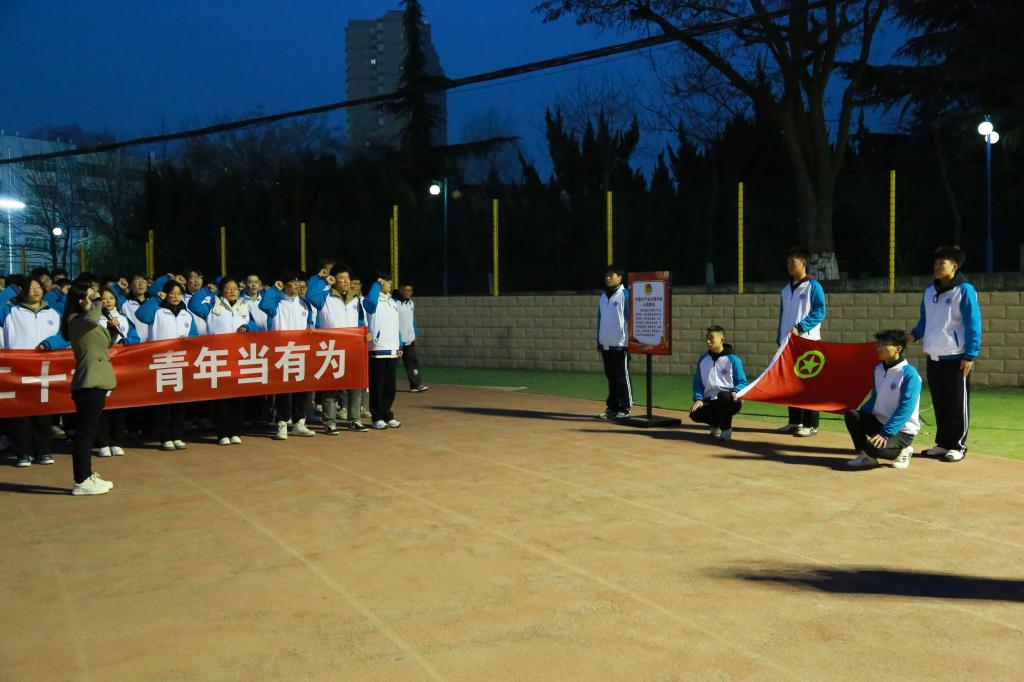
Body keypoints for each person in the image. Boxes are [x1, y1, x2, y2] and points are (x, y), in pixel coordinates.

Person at [910, 245, 982, 462]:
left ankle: (958, 446)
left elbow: (973, 324)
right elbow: (925, 321)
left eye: (942, 263)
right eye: (935, 263)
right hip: (933, 356)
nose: (937, 266)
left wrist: (970, 355)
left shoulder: (964, 290)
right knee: (940, 403)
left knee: (957, 404)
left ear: (954, 266)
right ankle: (943, 443)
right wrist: (913, 335)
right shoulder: (929, 291)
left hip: (956, 357)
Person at [1, 276, 66, 467]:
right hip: (17, 370)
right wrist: (11, 290)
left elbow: (65, 336)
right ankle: (23, 453)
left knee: (43, 412)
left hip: (45, 370)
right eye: (29, 287)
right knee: (19, 414)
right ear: (22, 291)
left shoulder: (54, 312)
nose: (34, 290)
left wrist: (49, 344)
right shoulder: (9, 311)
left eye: (38, 286)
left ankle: (43, 451)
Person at [60, 282, 117, 495]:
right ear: (80, 300)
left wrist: (112, 330)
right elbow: (92, 319)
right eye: (91, 296)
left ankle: (86, 475)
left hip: (98, 380)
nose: (96, 299)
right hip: (88, 382)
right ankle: (82, 480)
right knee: (85, 434)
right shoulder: (75, 320)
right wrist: (98, 301)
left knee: (88, 432)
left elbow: (104, 345)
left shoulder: (87, 322)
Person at [189, 276, 255, 445]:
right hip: (219, 357)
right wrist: (205, 290)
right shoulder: (212, 305)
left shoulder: (244, 305)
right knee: (222, 398)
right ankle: (222, 433)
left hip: (239, 356)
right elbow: (193, 305)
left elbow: (254, 325)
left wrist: (247, 327)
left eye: (235, 288)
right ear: (221, 290)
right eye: (228, 288)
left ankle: (236, 431)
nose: (232, 291)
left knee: (238, 396)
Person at [136, 277, 199, 450]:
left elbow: (194, 335)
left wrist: (188, 340)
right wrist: (157, 298)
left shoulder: (186, 315)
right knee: (164, 402)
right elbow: (141, 315)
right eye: (172, 293)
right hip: (162, 361)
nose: (176, 296)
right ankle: (165, 437)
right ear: (165, 294)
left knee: (179, 401)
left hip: (181, 361)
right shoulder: (157, 312)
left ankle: (177, 435)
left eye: (179, 293)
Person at [307, 264, 371, 433]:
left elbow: (361, 321)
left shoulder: (356, 299)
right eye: (342, 278)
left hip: (353, 348)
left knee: (355, 385)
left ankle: (354, 419)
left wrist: (366, 332)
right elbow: (310, 296)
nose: (346, 281)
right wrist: (323, 281)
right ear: (334, 280)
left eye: (347, 278)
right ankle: (329, 422)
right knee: (331, 386)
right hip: (332, 348)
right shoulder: (324, 297)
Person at [845, 330, 922, 469]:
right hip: (880, 422)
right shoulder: (878, 369)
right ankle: (867, 457)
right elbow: (876, 397)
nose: (878, 348)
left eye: (884, 344)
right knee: (852, 415)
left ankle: (903, 451)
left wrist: (886, 433)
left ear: (898, 349)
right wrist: (861, 416)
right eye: (878, 344)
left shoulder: (910, 374)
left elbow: (906, 408)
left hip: (902, 431)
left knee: (872, 447)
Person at [776, 246, 827, 437]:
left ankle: (811, 424)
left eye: (793, 262)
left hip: (808, 341)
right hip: (788, 343)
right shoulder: (785, 289)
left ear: (803, 263)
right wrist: (780, 337)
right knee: (791, 384)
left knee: (809, 384)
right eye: (788, 263)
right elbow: (782, 315)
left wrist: (801, 327)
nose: (789, 266)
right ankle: (795, 421)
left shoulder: (814, 286)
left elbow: (820, 311)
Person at [259, 270, 316, 440]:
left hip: (301, 351)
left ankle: (299, 423)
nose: (297, 285)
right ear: (284, 284)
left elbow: (310, 321)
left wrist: (311, 325)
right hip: (282, 352)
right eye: (293, 282)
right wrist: (273, 289)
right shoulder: (276, 303)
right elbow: (264, 306)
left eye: (299, 282)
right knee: (284, 390)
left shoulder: (304, 304)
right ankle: (282, 423)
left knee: (301, 388)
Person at [94, 288, 137, 457]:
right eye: (104, 298)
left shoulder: (124, 319)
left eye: (111, 298)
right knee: (102, 405)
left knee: (119, 405)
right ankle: (103, 442)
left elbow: (135, 337)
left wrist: (127, 342)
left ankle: (117, 441)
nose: (108, 301)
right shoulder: (94, 319)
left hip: (121, 366)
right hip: (101, 364)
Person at [689, 326, 748, 442]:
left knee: (723, 396)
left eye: (711, 338)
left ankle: (726, 429)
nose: (708, 341)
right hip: (711, 400)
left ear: (721, 339)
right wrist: (699, 399)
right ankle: (716, 424)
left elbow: (742, 382)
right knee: (694, 413)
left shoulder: (733, 360)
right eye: (706, 338)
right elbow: (698, 383)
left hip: (730, 400)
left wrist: (736, 391)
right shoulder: (703, 359)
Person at [363, 272, 402, 429]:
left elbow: (396, 325)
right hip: (377, 349)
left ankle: (387, 414)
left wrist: (399, 344)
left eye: (390, 282)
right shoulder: (370, 300)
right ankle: (377, 417)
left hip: (392, 349)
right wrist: (376, 285)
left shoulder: (393, 302)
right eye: (386, 282)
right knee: (377, 386)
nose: (390, 284)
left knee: (390, 386)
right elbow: (371, 305)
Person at [596, 264, 631, 419]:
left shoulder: (625, 295)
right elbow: (600, 319)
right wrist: (599, 339)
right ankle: (612, 406)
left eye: (611, 275)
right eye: (606, 275)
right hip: (606, 344)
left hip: (620, 344)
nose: (607, 278)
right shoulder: (603, 297)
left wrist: (629, 341)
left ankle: (625, 407)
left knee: (621, 378)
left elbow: (629, 319)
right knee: (611, 378)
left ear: (620, 278)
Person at [396, 283, 428, 392]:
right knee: (392, 365)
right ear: (401, 290)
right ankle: (384, 386)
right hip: (397, 341)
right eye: (406, 290)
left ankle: (416, 385)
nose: (409, 293)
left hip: (410, 339)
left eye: (410, 291)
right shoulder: (394, 303)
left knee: (412, 362)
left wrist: (414, 333)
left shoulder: (411, 303)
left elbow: (411, 319)